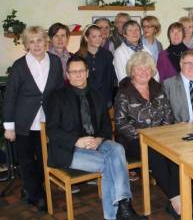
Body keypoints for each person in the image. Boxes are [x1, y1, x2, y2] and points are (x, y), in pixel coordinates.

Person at [45, 55, 147, 220]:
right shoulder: (57, 97)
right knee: (111, 163)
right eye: (73, 72)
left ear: (86, 73)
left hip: (96, 144)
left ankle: (120, 210)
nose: (78, 75)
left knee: (117, 149)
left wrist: (99, 139)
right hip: (69, 150)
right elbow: (52, 131)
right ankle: (122, 209)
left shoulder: (97, 95)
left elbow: (106, 127)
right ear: (67, 74)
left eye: (81, 71)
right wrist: (77, 141)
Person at [114, 52, 183, 219]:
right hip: (134, 141)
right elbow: (121, 123)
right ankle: (177, 203)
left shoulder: (157, 88)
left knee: (176, 154)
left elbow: (168, 114)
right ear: (132, 71)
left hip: (161, 137)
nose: (144, 72)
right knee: (156, 154)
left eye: (147, 68)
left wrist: (161, 134)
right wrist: (146, 137)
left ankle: (176, 201)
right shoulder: (124, 92)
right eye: (139, 68)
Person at [3, 26, 64, 211]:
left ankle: (31, 188)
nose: (36, 45)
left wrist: (61, 118)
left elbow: (60, 92)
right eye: (31, 41)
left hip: (48, 121)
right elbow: (10, 96)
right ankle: (36, 196)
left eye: (39, 40)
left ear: (46, 41)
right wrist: (9, 126)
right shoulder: (19, 65)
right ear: (26, 44)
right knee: (27, 160)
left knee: (45, 160)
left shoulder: (54, 61)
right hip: (24, 122)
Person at [76, 24, 116, 108]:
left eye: (100, 36)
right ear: (86, 38)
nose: (98, 39)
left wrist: (108, 98)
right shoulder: (78, 56)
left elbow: (111, 78)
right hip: (85, 99)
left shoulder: (107, 55)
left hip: (104, 98)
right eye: (94, 36)